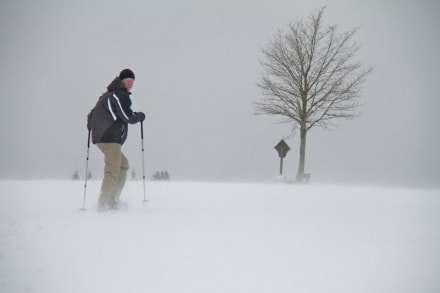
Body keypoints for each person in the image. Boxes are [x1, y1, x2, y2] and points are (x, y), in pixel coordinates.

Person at [87, 69, 145, 211]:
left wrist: (93, 128)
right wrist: (139, 117)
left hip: (103, 136)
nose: (130, 84)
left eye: (132, 82)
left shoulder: (108, 95)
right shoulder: (119, 94)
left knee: (123, 165)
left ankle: (112, 200)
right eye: (127, 81)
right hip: (109, 137)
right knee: (112, 171)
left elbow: (91, 114)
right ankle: (104, 204)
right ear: (121, 80)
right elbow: (127, 117)